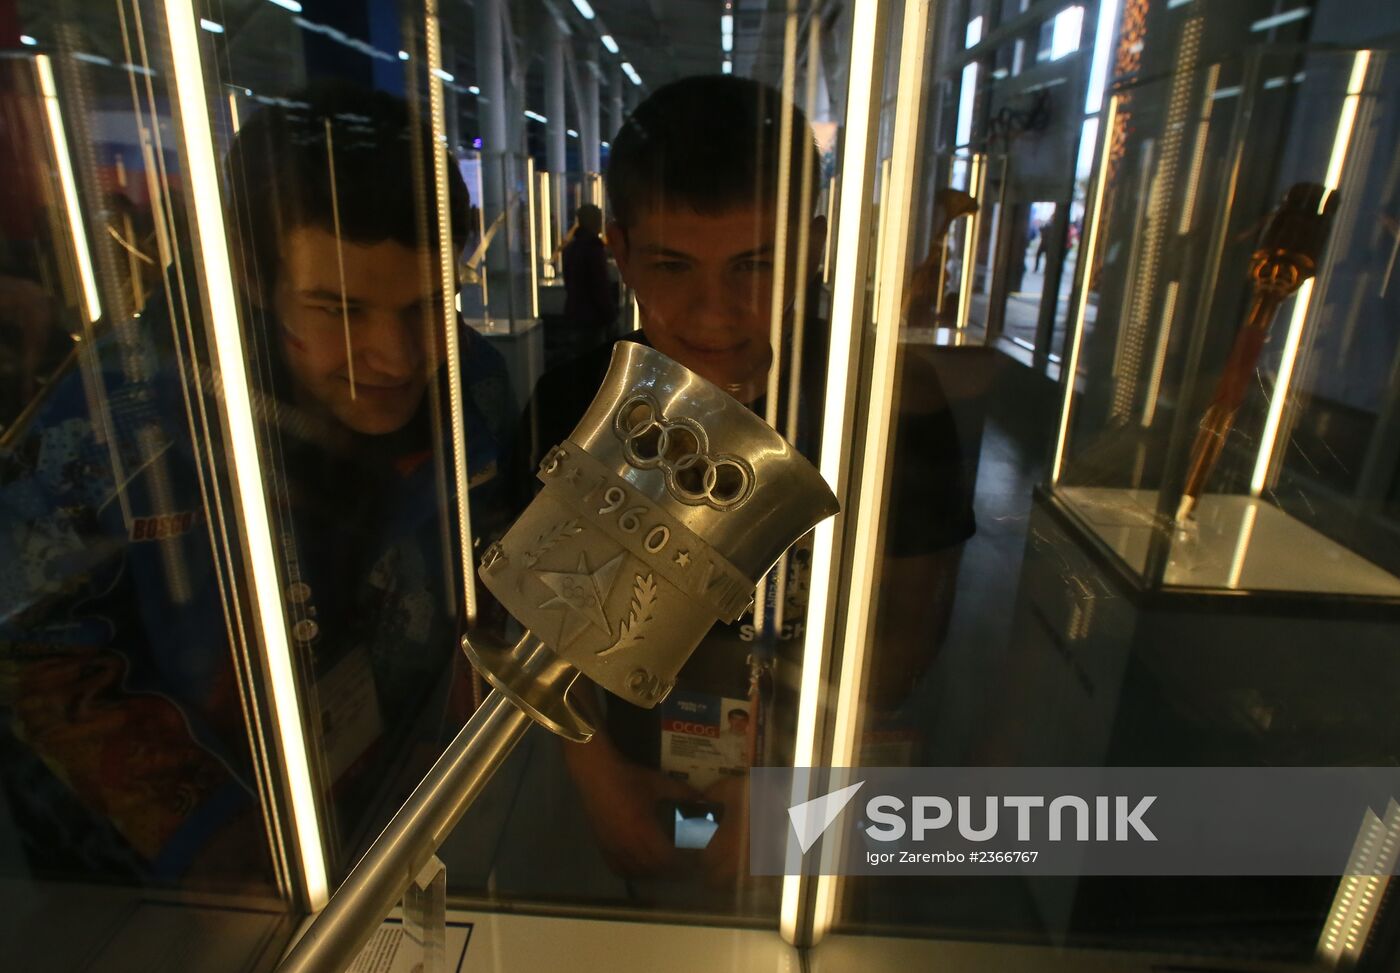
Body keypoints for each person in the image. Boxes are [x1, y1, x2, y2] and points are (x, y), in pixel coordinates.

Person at [0, 82, 511, 885]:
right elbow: (29, 656)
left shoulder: (473, 382)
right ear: (246, 272)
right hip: (177, 898)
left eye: (427, 305)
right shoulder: (106, 428)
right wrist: (210, 843)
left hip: (406, 816)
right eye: (336, 308)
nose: (397, 356)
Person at [511, 75, 975, 894]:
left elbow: (912, 621)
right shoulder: (574, 400)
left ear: (814, 246)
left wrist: (806, 785)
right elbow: (534, 625)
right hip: (633, 757)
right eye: (673, 264)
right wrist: (600, 777)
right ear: (620, 251)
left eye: (757, 265)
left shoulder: (888, 402)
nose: (716, 311)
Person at [560, 203, 618, 356]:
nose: (601, 223)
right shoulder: (593, 250)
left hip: (575, 314)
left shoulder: (570, 249)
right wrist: (610, 316)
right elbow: (600, 287)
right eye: (598, 219)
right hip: (592, 318)